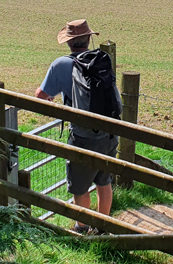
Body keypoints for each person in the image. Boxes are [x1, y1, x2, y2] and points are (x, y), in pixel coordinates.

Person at [35, 19, 120, 234]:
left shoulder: (61, 65)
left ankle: (82, 227)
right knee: (104, 180)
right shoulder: (102, 59)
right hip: (109, 132)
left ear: (68, 43)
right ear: (89, 39)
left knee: (80, 185)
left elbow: (41, 96)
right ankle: (103, 227)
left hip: (82, 136)